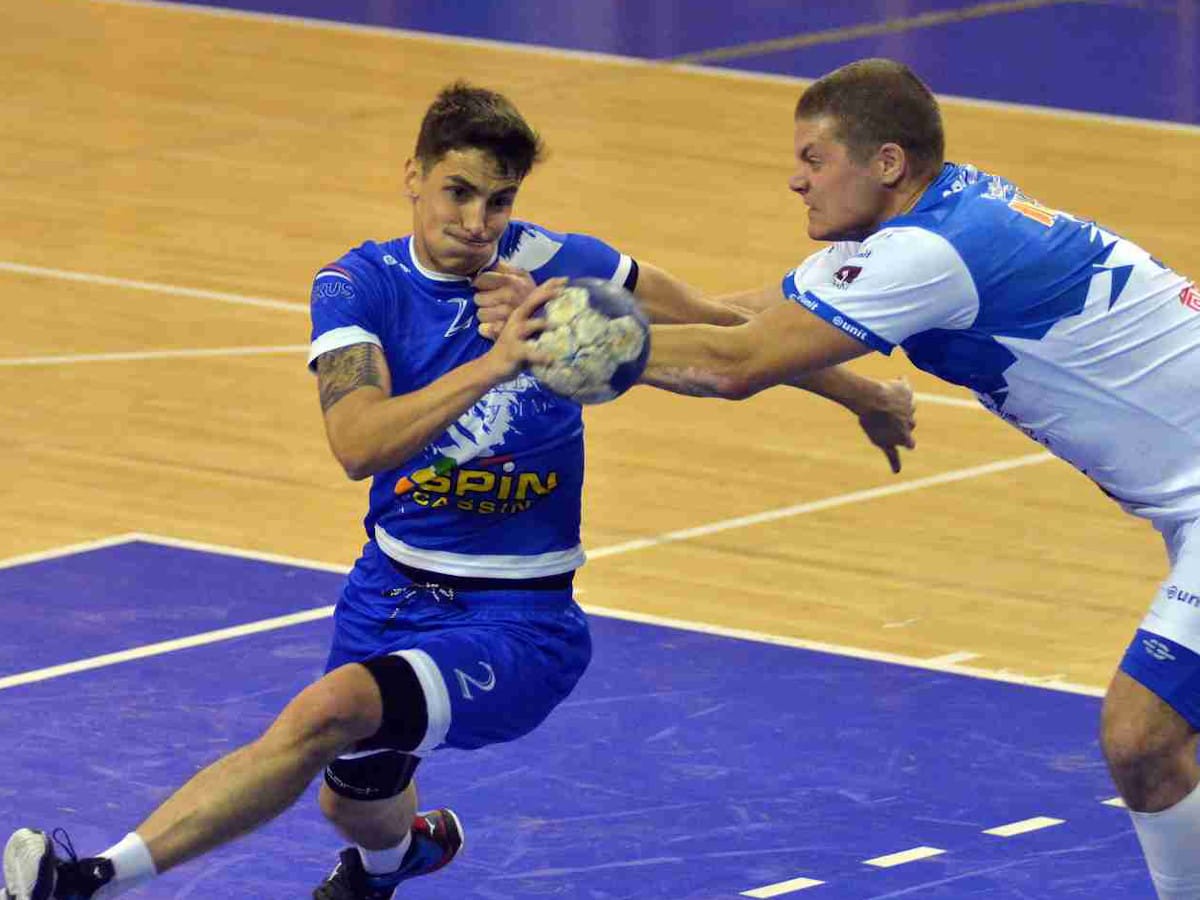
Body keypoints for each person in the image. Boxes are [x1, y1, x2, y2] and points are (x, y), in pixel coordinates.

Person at [2, 82, 914, 900]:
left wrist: (866, 396)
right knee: (353, 803)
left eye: (499, 200)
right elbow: (357, 444)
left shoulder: (563, 265)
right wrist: (499, 361)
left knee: (326, 713)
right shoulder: (357, 286)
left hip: (519, 620)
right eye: (459, 192)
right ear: (414, 177)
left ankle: (87, 882)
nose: (479, 222)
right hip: (386, 593)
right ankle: (397, 862)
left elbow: (725, 330)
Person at [532, 57, 1195, 899]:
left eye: (814, 159)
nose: (796, 180)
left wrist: (561, 343)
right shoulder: (935, 218)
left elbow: (736, 363)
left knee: (1142, 737)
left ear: (886, 163)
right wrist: (569, 305)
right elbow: (744, 318)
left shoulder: (928, 252)